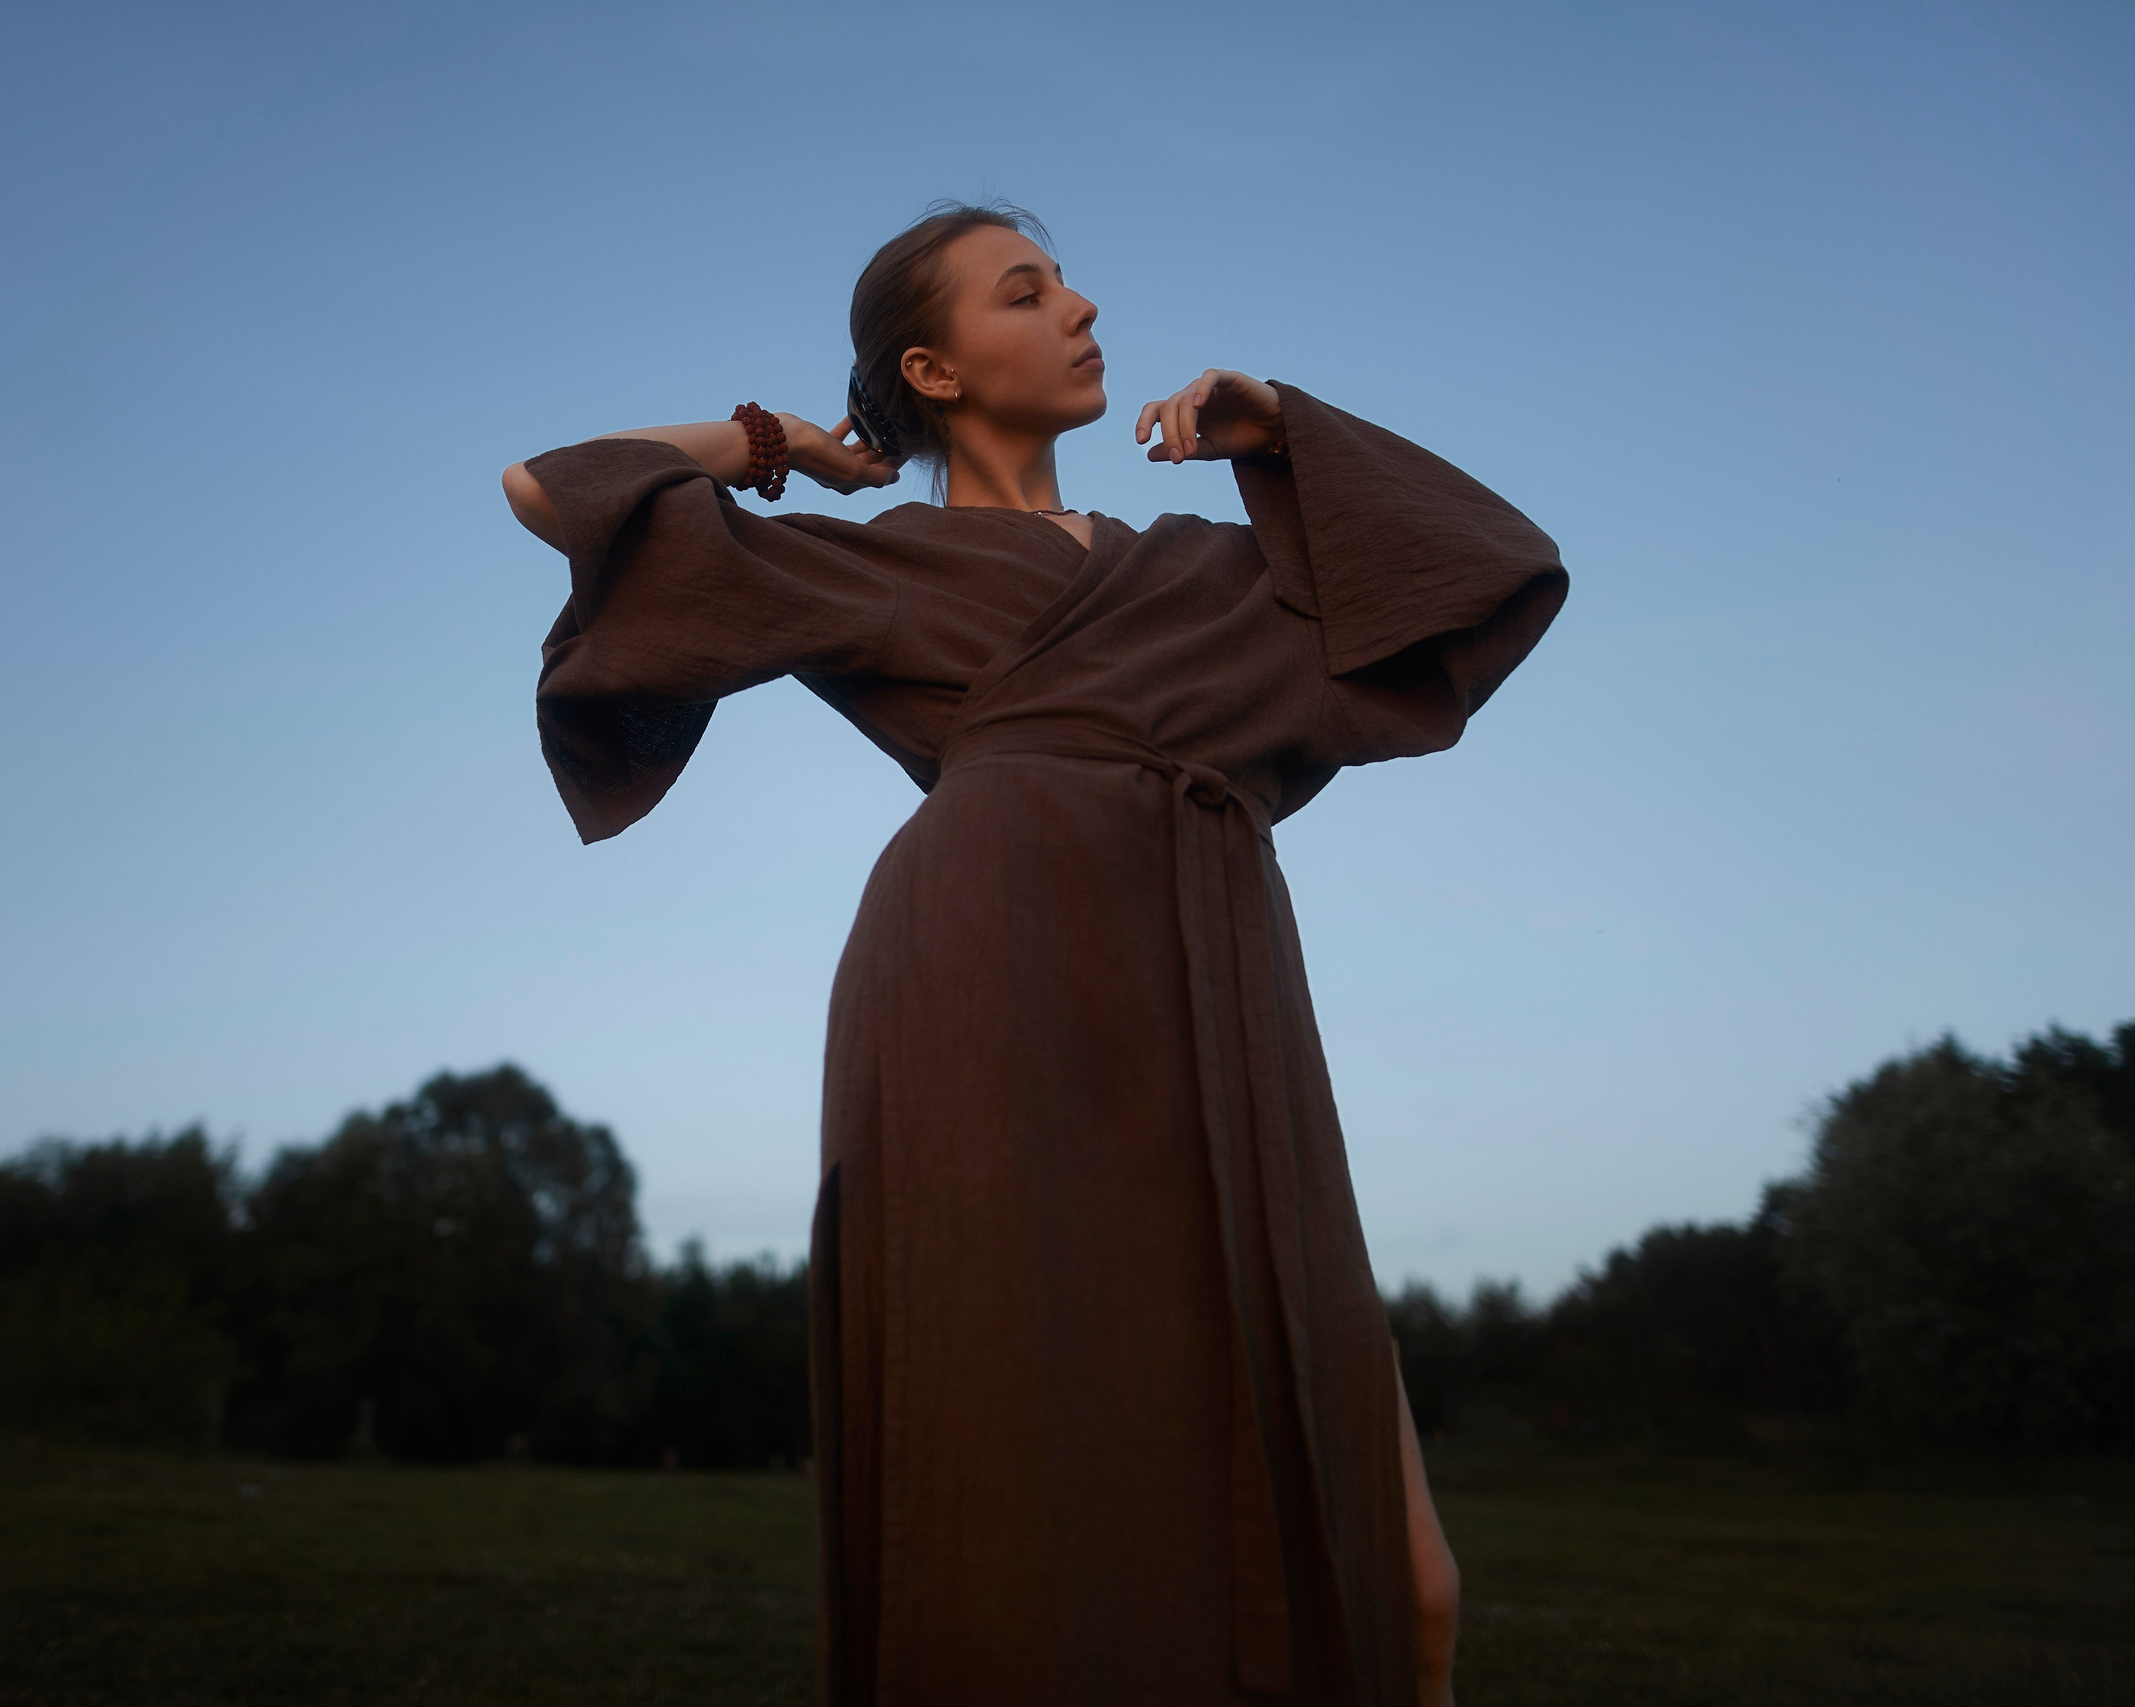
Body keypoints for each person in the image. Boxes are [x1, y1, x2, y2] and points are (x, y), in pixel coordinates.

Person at [502, 202, 1565, 1707]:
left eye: (1067, 283)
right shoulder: (873, 564)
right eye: (1026, 291)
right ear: (932, 370)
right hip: (987, 965)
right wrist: (781, 446)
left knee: (1414, 1585)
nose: (1080, 307)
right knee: (1016, 1466)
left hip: (1219, 955)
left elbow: (1482, 567)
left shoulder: (1215, 571)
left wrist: (1282, 430)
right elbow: (555, 489)